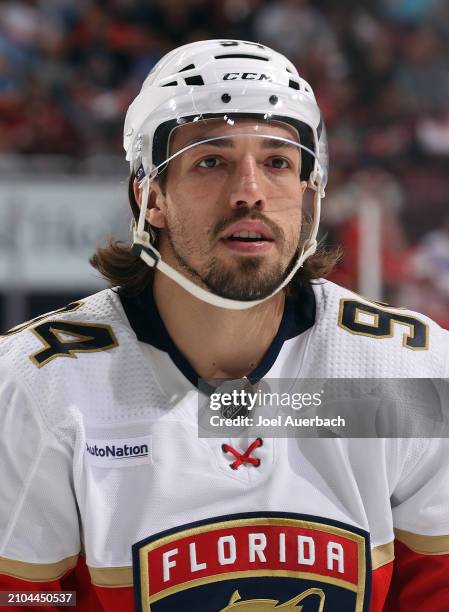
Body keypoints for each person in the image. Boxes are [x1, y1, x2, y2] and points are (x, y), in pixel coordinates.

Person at [0, 39, 448, 612]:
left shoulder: (409, 374)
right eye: (211, 161)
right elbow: (27, 602)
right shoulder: (37, 388)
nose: (249, 194)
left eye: (277, 161)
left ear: (310, 194)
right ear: (149, 195)